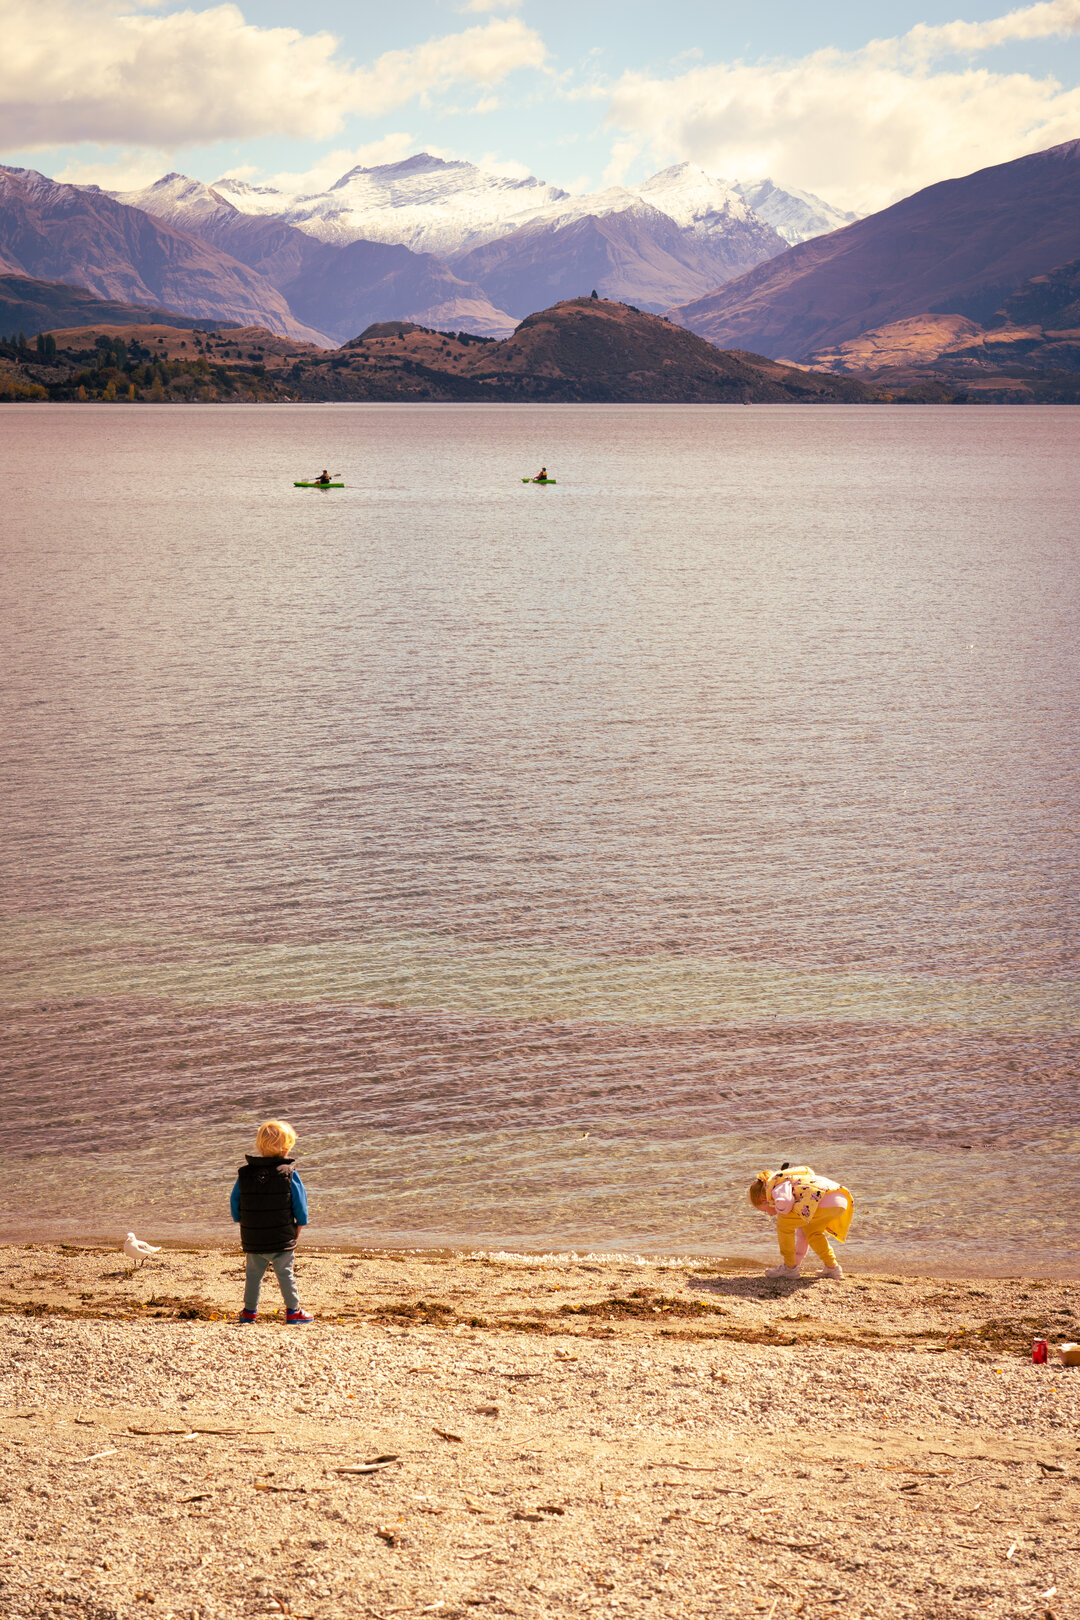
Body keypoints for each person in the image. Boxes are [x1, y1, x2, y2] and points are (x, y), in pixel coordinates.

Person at [230, 1119, 313, 1323]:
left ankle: (249, 1311)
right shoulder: (289, 1174)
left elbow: (235, 1202)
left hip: (253, 1234)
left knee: (253, 1275)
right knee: (285, 1273)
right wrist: (299, 1225)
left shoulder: (245, 1174)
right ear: (287, 1147)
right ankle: (293, 1311)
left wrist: (241, 1221)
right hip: (281, 1235)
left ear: (259, 1146)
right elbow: (300, 1205)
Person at [748, 1163, 854, 1280]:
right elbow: (802, 1237)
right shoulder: (793, 1182)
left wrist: (780, 1209)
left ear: (764, 1200)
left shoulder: (776, 1186)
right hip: (840, 1199)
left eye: (764, 1210)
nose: (769, 1213)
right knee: (812, 1232)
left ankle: (789, 1267)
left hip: (820, 1200)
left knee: (783, 1225)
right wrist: (797, 1260)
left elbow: (784, 1201)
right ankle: (833, 1268)